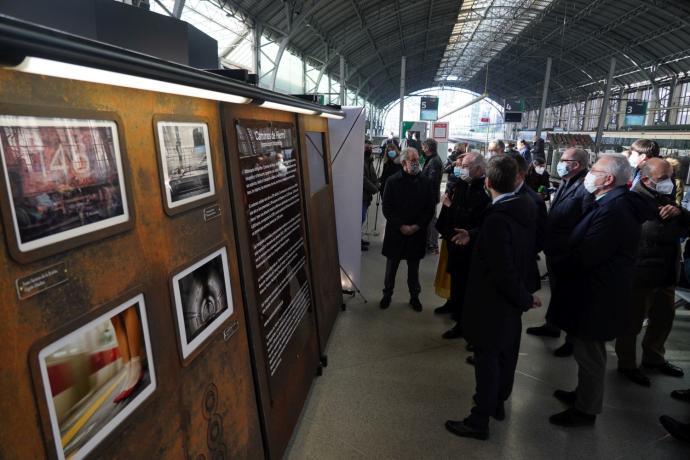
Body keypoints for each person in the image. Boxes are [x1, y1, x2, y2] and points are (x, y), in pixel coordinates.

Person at [547, 153, 650, 427]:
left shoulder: (614, 210)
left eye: (594, 169)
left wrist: (559, 262)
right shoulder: (610, 202)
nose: (589, 173)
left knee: (589, 354)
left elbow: (589, 253)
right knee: (585, 351)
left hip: (597, 293)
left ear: (608, 179)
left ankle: (586, 409)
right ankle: (583, 394)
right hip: (595, 289)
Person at [444, 155, 541, 440]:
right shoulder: (524, 206)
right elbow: (509, 242)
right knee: (506, 355)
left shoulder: (498, 217)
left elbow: (503, 268)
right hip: (509, 306)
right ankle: (498, 403)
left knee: (487, 360)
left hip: (492, 303)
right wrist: (475, 234)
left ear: (487, 181)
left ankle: (478, 420)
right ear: (517, 180)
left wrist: (524, 297)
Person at [615, 158, 689, 386]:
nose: (669, 183)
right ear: (645, 179)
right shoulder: (631, 201)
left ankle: (654, 357)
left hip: (666, 273)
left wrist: (680, 213)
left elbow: (685, 226)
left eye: (671, 177)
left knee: (663, 319)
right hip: (641, 273)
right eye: (662, 178)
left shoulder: (667, 198)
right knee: (632, 322)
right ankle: (627, 363)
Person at [526, 148, 591, 358]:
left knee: (570, 296)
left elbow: (585, 222)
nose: (560, 163)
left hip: (569, 251)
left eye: (564, 160)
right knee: (558, 291)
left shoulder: (586, 187)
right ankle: (552, 325)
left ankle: (571, 339)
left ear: (577, 164)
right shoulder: (566, 181)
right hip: (555, 250)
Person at [435, 153, 491, 340]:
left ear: (478, 169)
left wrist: (452, 208)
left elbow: (475, 220)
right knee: (457, 284)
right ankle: (457, 313)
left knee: (468, 289)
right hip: (455, 243)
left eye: (465, 165)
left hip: (471, 248)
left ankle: (465, 325)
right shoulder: (461, 184)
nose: (461, 169)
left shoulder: (484, 191)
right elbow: (453, 212)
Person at [380, 147, 435, 312]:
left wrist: (416, 226)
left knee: (414, 269)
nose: (417, 163)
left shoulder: (425, 182)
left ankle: (414, 296)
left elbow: (429, 209)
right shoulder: (392, 181)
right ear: (404, 162)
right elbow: (387, 208)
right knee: (391, 268)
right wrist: (401, 226)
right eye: (413, 160)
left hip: (416, 233)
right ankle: (387, 294)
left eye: (418, 159)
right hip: (396, 231)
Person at [509, 152, 548, 294]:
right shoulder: (501, 193)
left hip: (519, 265)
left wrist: (518, 252)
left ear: (519, 174)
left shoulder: (533, 201)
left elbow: (541, 236)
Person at [421, 138, 444, 253]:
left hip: (430, 196)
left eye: (423, 147)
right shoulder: (432, 159)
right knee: (430, 219)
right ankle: (430, 243)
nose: (422, 149)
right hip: (431, 195)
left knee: (430, 220)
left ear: (427, 148)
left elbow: (431, 181)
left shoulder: (434, 161)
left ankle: (432, 244)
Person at [362, 140, 379, 251]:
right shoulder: (359, 161)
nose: (369, 149)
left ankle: (358, 239)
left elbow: (373, 176)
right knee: (359, 219)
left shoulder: (369, 160)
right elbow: (363, 179)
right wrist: (375, 188)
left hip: (366, 196)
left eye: (370, 147)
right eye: (367, 147)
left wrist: (377, 183)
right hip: (361, 196)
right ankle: (355, 241)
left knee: (362, 219)